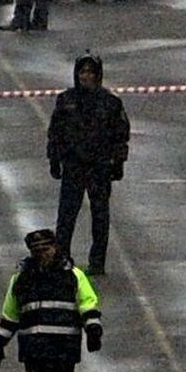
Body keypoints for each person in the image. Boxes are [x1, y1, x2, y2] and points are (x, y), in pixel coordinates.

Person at [0, 228, 102, 372]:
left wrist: (93, 330)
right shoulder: (21, 279)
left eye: (46, 249)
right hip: (36, 350)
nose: (43, 255)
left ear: (55, 248)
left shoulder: (73, 275)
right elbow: (10, 316)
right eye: (37, 251)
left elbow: (87, 304)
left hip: (63, 348)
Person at [47, 55, 130, 276]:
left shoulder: (110, 103)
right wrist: (54, 159)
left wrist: (118, 162)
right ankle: (62, 258)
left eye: (91, 72)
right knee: (66, 216)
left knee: (100, 216)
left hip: (99, 166)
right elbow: (55, 132)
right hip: (73, 165)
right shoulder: (66, 101)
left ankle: (97, 261)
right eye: (83, 72)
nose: (86, 76)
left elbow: (121, 134)